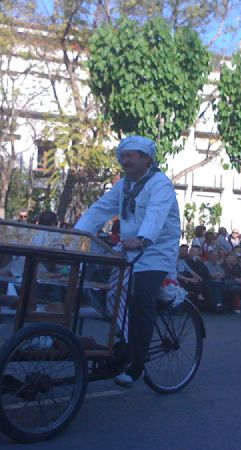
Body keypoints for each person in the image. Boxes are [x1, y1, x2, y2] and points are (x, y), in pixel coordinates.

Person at [74, 135, 180, 387]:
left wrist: (143, 238)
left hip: (156, 251)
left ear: (146, 159)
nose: (125, 160)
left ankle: (137, 363)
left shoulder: (160, 184)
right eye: (123, 155)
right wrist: (76, 234)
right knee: (109, 294)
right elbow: (100, 209)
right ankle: (121, 346)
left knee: (140, 297)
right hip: (129, 250)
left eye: (131, 155)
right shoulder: (123, 185)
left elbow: (155, 215)